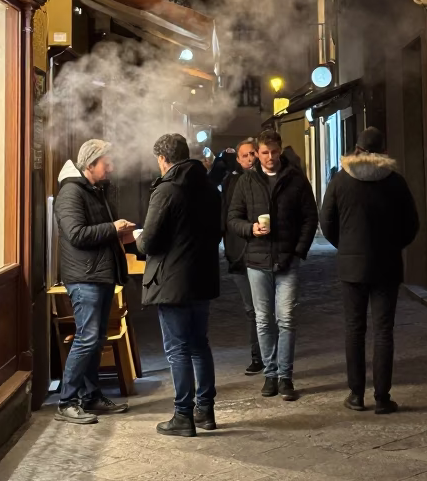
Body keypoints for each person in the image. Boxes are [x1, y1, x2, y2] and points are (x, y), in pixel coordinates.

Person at [321, 127, 419, 414]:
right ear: (383, 151)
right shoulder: (396, 182)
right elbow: (411, 225)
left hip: (352, 266)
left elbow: (326, 222)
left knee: (354, 330)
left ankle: (355, 395)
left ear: (357, 149)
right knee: (383, 331)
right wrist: (393, 246)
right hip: (387, 264)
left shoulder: (340, 181)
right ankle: (382, 397)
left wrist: (346, 246)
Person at [136, 133, 222, 437]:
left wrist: (136, 238)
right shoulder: (210, 188)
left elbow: (149, 241)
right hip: (203, 276)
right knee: (200, 344)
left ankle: (183, 415)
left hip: (173, 281)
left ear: (162, 159)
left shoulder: (167, 190)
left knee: (177, 350)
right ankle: (206, 411)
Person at [227, 129, 317, 401]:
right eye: (264, 153)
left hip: (287, 260)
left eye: (273, 152)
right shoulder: (247, 181)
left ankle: (285, 376)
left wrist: (299, 251)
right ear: (258, 153)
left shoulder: (296, 180)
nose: (269, 157)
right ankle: (270, 373)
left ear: (280, 150)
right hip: (256, 260)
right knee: (264, 320)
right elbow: (232, 218)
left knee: (287, 318)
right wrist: (250, 228)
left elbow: (310, 218)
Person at [53, 139, 137, 424]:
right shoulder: (71, 193)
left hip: (99, 275)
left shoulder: (94, 190)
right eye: (106, 162)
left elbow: (94, 232)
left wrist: (119, 234)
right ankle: (67, 401)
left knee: (95, 338)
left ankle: (90, 397)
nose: (111, 167)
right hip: (84, 277)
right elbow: (77, 234)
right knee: (87, 339)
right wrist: (112, 227)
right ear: (90, 164)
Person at [216, 140, 264, 375]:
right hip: (238, 254)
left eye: (252, 154)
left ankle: (268, 355)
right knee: (251, 308)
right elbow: (225, 218)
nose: (249, 159)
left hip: (262, 253)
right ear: (238, 159)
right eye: (244, 155)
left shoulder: (266, 180)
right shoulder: (230, 182)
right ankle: (258, 356)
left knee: (266, 308)